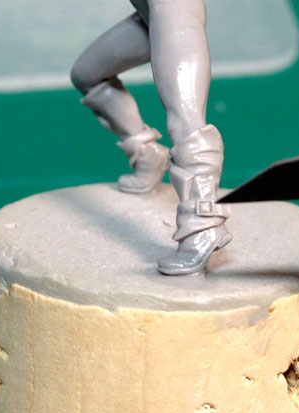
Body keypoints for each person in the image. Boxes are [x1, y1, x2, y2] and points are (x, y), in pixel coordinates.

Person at [70, 0, 231, 275]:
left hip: (173, 9)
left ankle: (203, 225)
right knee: (87, 75)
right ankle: (147, 155)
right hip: (149, 17)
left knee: (185, 119)